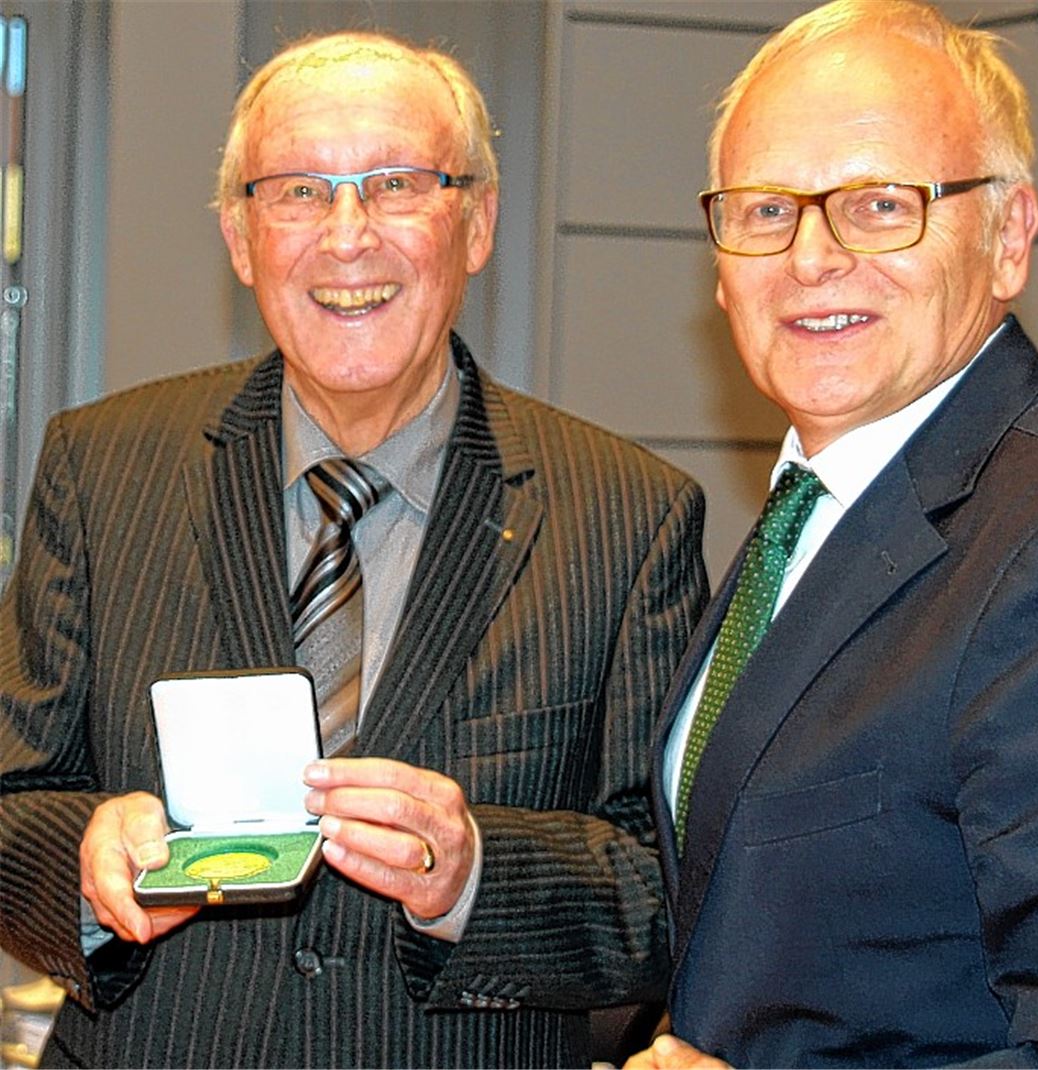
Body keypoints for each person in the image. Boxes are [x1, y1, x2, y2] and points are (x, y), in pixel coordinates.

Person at [0, 31, 708, 1069]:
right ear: (242, 239)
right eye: (297, 191)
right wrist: (83, 862)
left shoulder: (627, 516)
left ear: (477, 223)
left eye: (397, 184)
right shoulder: (100, 470)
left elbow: (668, 892)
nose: (346, 236)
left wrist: (476, 874)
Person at [626, 2, 1038, 1067]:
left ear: (1009, 237)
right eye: (767, 209)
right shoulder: (817, 500)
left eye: (878, 203)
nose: (812, 255)